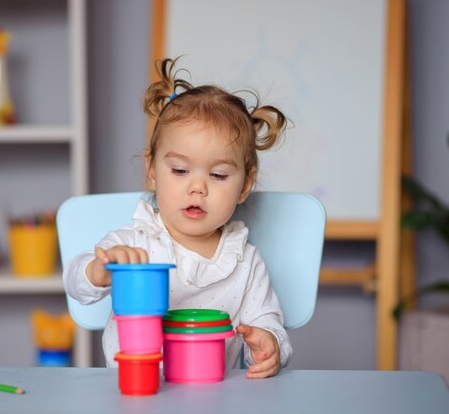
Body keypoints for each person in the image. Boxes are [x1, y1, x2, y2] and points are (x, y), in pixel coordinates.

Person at [63, 58, 291, 379]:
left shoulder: (245, 261)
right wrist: (99, 270)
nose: (197, 187)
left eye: (218, 174)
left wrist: (271, 345)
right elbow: (75, 282)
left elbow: (268, 321)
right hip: (134, 396)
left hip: (213, 397)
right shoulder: (134, 243)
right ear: (152, 171)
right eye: (180, 171)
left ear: (245, 187)